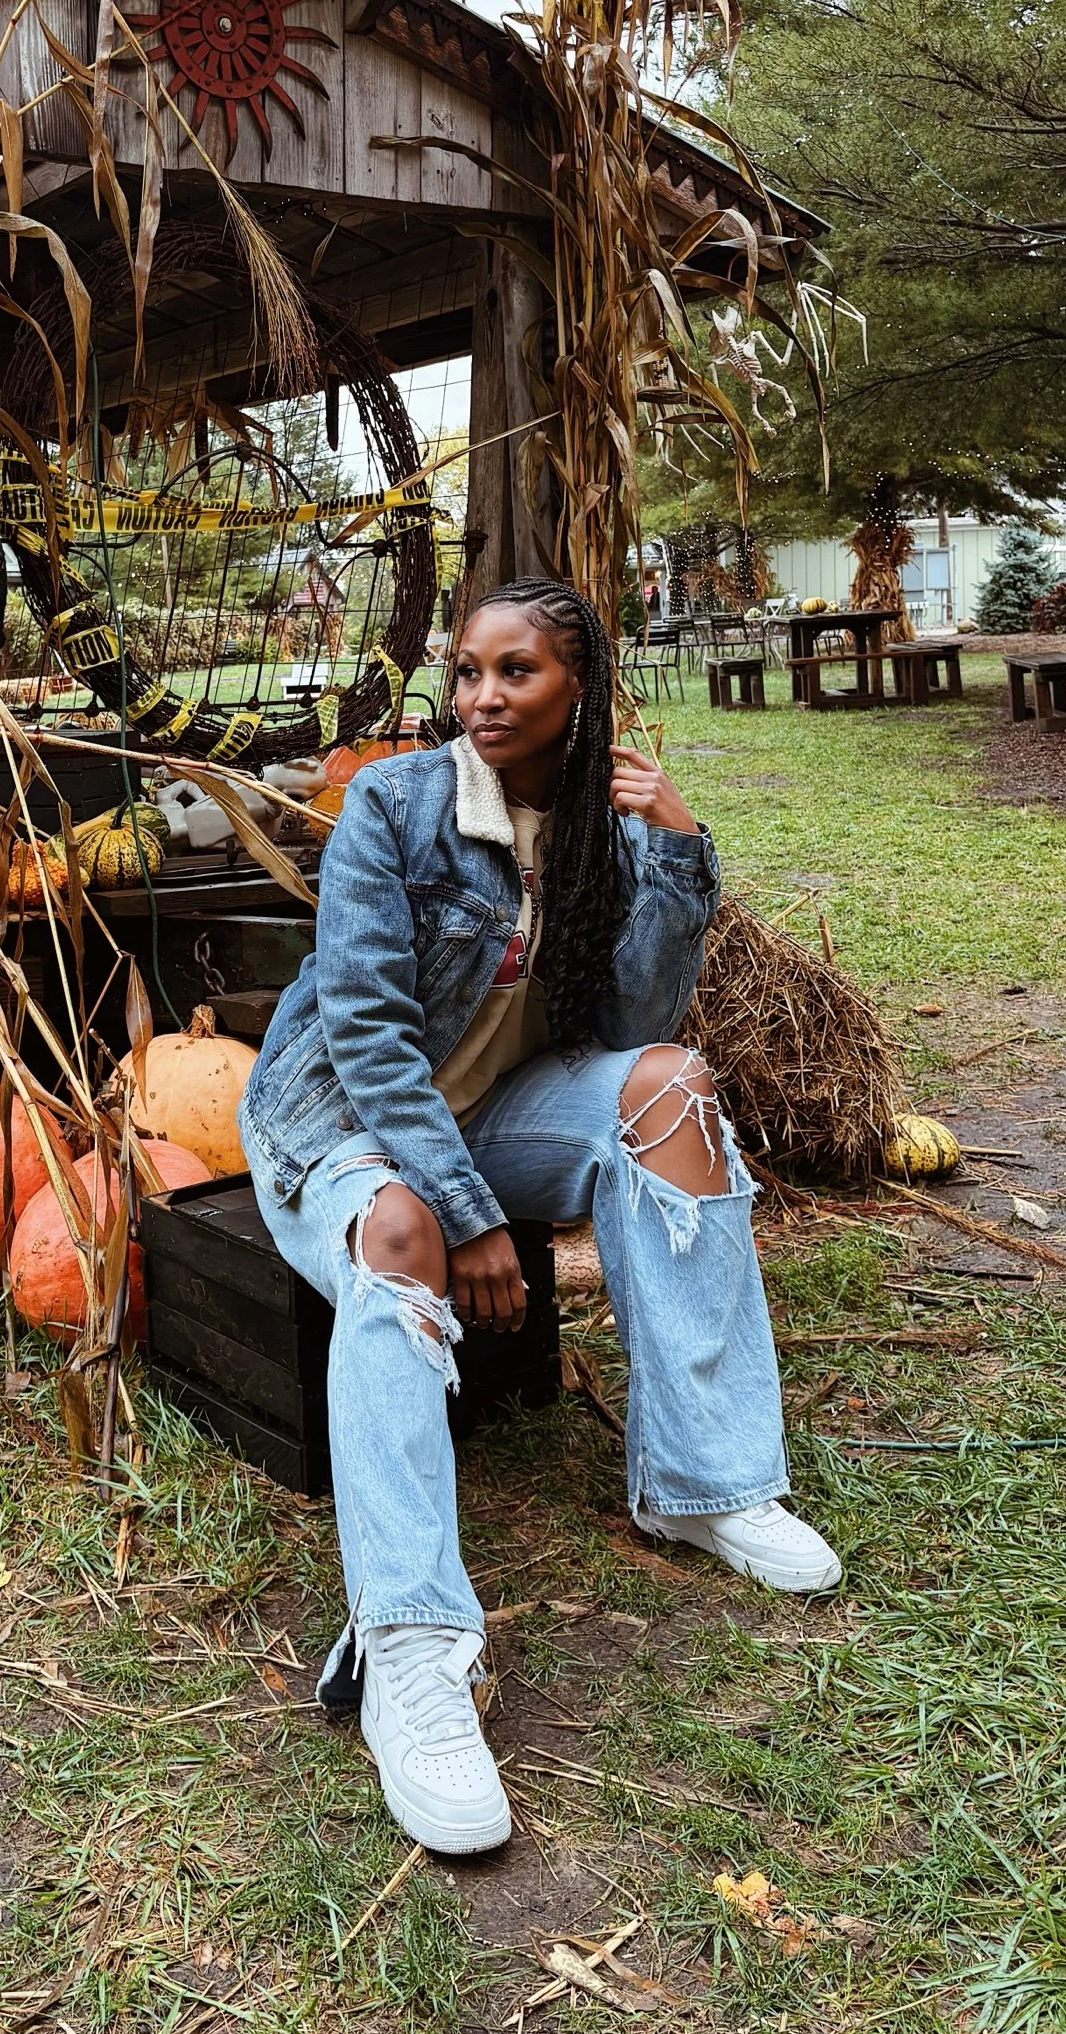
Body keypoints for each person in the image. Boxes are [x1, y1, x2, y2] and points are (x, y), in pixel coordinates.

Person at [238, 576, 840, 1859]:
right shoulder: (393, 806)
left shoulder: (597, 831)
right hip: (340, 1116)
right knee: (400, 1229)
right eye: (468, 670)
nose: (483, 695)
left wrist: (675, 851)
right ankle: (411, 1649)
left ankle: (704, 1483)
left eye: (517, 671)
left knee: (672, 1092)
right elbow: (368, 1034)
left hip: (495, 1110)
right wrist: (465, 1214)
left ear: (581, 686)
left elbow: (633, 1025)